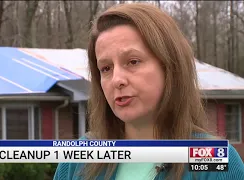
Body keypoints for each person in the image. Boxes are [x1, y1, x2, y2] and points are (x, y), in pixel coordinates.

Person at [54, 2, 244, 180]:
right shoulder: (78, 158)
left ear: (170, 67)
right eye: (106, 68)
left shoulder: (213, 159)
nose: (117, 80)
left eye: (133, 62)